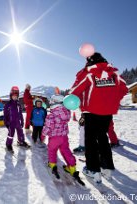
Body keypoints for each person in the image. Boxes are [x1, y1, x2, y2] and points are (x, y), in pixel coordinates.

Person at [69, 52, 128, 183]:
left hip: (91, 112)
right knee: (102, 138)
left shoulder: (90, 74)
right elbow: (124, 89)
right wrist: (112, 100)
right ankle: (107, 168)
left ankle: (93, 169)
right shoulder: (115, 74)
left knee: (90, 141)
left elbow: (75, 91)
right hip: (107, 113)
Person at [42, 94, 77, 179]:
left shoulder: (52, 115)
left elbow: (48, 127)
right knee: (66, 151)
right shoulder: (67, 113)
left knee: (52, 150)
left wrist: (43, 135)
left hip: (54, 138)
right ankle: (72, 168)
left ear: (54, 103)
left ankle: (52, 164)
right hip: (64, 137)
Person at [4, 86, 30, 153]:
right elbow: (5, 115)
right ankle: (8, 145)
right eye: (13, 96)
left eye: (16, 96)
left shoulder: (18, 104)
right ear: (11, 96)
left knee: (20, 132)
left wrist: (22, 121)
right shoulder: (8, 105)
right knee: (11, 134)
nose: (15, 97)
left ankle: (21, 141)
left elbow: (20, 114)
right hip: (11, 122)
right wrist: (6, 123)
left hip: (18, 122)